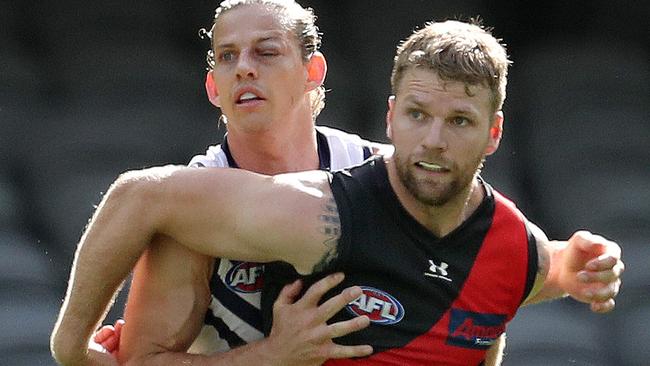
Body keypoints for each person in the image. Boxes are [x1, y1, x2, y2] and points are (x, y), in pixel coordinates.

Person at [50, 15, 624, 365]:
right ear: (393, 116)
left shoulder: (504, 239)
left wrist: (571, 266)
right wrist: (70, 348)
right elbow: (136, 197)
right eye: (228, 57)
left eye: (459, 122)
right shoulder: (312, 209)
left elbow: (499, 269)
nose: (433, 142)